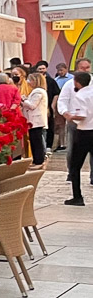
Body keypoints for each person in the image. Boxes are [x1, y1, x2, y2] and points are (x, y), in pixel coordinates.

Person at [63, 70, 93, 205]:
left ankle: (77, 196)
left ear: (77, 82)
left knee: (75, 166)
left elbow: (82, 115)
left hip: (84, 132)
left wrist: (70, 116)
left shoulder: (80, 95)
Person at [22, 71, 49, 168]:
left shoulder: (38, 91)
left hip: (36, 120)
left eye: (30, 80)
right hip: (34, 120)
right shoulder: (37, 91)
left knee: (37, 142)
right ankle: (36, 160)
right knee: (34, 140)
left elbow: (32, 105)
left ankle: (39, 161)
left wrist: (23, 100)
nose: (28, 82)